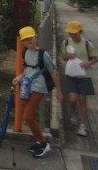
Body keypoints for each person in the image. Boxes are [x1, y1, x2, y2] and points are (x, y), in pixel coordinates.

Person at [12, 26, 62, 158]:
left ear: (36, 37)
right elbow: (26, 71)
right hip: (27, 87)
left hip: (39, 88)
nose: (29, 41)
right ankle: (39, 142)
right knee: (31, 116)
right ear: (22, 42)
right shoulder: (25, 53)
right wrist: (19, 78)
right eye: (25, 39)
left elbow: (53, 72)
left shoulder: (43, 54)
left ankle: (44, 143)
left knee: (27, 116)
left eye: (31, 38)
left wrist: (58, 91)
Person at [61, 20, 98, 137]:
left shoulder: (88, 44)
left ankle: (82, 125)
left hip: (84, 75)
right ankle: (73, 110)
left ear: (80, 32)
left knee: (82, 100)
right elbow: (63, 57)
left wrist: (88, 63)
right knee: (72, 99)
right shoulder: (66, 42)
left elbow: (95, 58)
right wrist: (68, 56)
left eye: (75, 33)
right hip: (71, 75)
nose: (73, 35)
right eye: (70, 33)